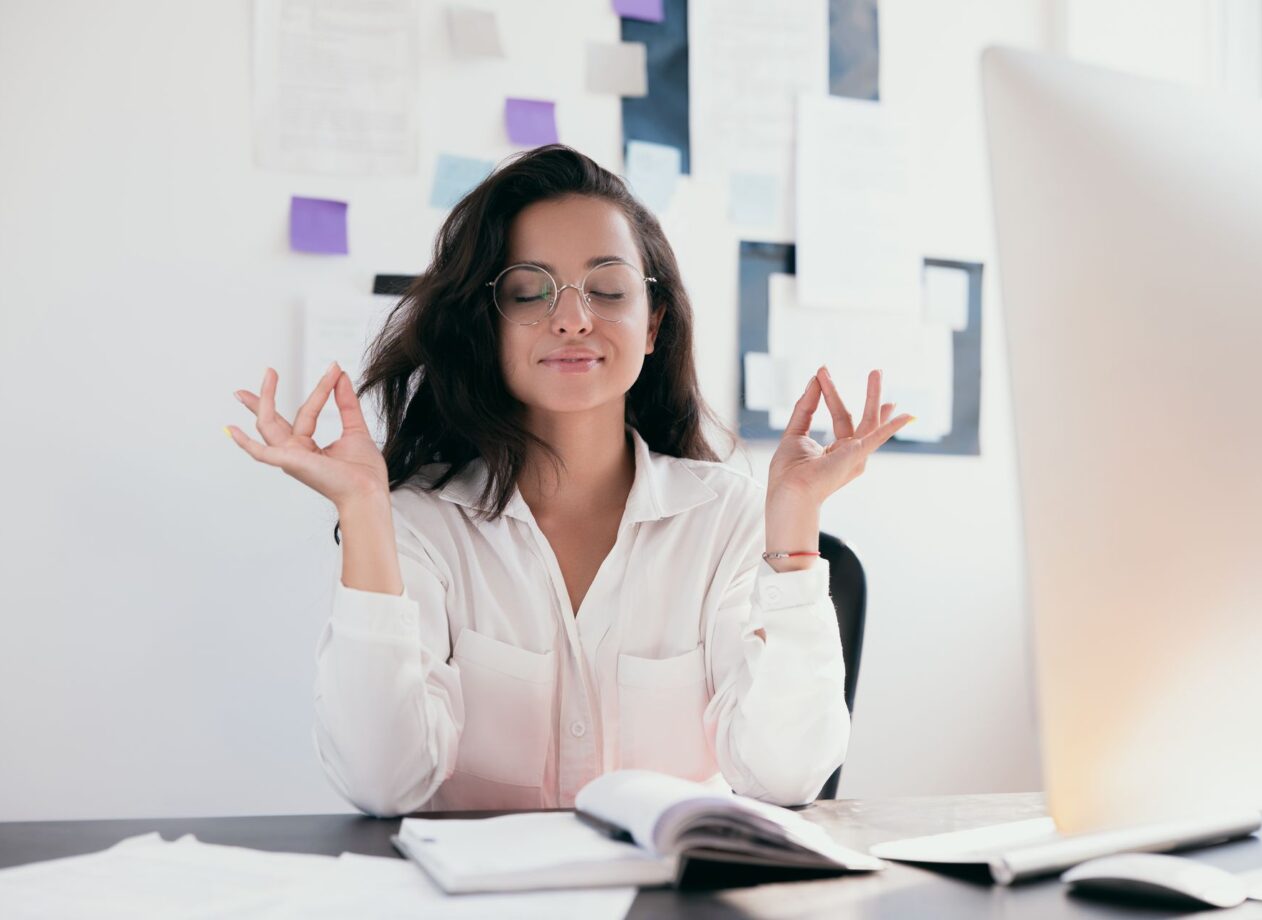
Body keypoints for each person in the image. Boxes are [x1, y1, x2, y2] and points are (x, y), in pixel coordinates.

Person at [226, 144, 914, 818]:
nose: (572, 318)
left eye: (607, 289)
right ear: (485, 328)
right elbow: (381, 785)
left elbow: (786, 777)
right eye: (529, 291)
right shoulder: (419, 523)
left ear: (652, 323)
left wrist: (793, 516)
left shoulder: (726, 517)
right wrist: (365, 509)